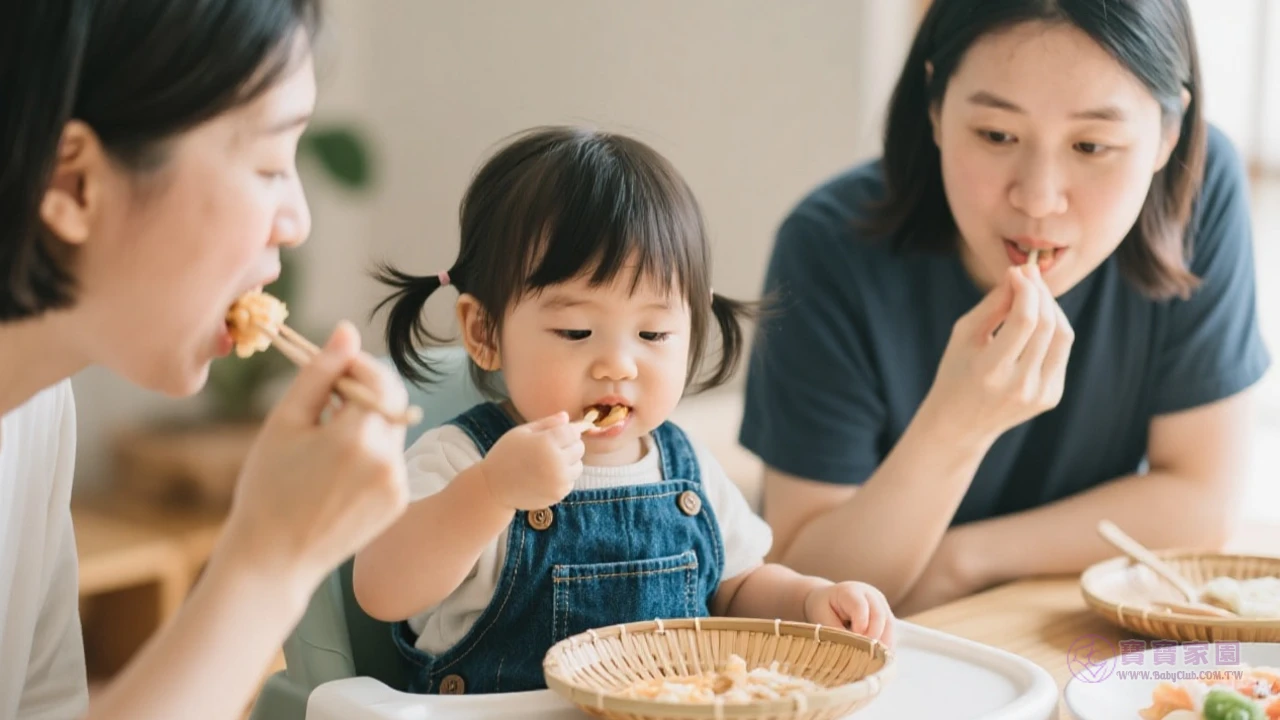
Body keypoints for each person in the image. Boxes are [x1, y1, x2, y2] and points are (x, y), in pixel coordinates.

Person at [738, 0, 1269, 616]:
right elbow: (807, 584)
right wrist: (957, 425)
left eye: (1093, 145)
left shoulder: (1196, 196)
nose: (1039, 198)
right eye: (996, 135)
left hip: (1060, 625)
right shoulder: (828, 246)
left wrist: (964, 560)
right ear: (936, 107)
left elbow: (1202, 502)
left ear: (1168, 134)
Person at [353, 126, 896, 695]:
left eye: (654, 332)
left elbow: (738, 587)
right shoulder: (463, 460)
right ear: (485, 331)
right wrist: (492, 492)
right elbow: (382, 590)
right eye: (576, 330)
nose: (618, 365)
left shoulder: (685, 469)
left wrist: (809, 600)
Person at [0, 2, 413, 718]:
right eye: (267, 164)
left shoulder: (35, 404)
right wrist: (269, 562)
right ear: (74, 186)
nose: (298, 219)